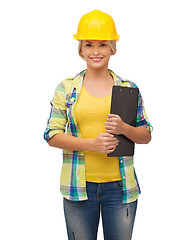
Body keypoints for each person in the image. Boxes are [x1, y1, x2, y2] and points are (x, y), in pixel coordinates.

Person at [44, 10, 153, 240]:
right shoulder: (67, 88)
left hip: (120, 189)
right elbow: (52, 135)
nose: (95, 51)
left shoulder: (128, 88)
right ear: (81, 49)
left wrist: (125, 129)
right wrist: (91, 144)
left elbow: (145, 135)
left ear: (112, 48)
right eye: (89, 44)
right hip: (78, 188)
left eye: (102, 44)